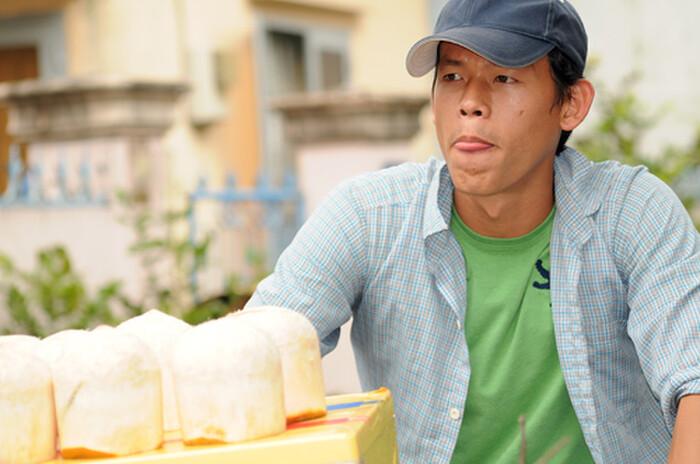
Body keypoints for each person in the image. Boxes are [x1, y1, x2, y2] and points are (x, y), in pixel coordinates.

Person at [246, 0, 700, 462]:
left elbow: (695, 380)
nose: (470, 103)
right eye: (451, 76)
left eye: (503, 78)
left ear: (571, 104)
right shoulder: (369, 216)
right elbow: (256, 354)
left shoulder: (630, 212)